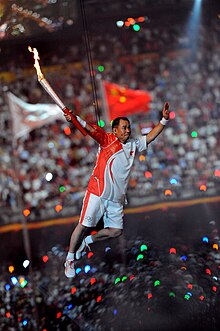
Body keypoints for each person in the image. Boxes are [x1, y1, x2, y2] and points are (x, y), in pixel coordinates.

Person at [64, 102, 170, 278]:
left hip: (117, 199)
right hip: (98, 193)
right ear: (115, 131)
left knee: (115, 231)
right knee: (83, 225)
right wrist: (74, 118)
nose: (127, 130)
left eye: (128, 127)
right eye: (124, 128)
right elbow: (90, 129)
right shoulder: (107, 141)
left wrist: (164, 120)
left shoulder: (133, 145)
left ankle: (88, 241)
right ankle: (69, 259)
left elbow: (150, 136)